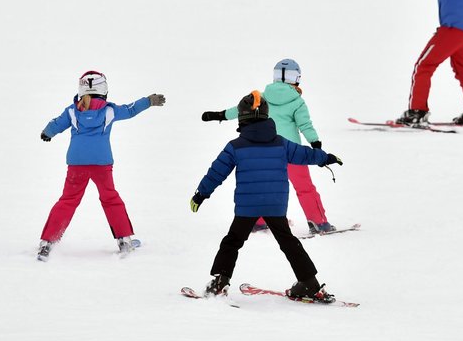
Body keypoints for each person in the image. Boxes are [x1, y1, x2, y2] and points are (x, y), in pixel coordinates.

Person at [190, 91, 343, 302]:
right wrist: (326, 157)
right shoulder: (281, 143)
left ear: (242, 117)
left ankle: (220, 282)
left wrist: (200, 194)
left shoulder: (235, 146)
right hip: (275, 205)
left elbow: (216, 173)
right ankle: (310, 284)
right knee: (289, 243)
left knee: (232, 242)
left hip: (247, 206)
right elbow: (305, 154)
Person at [36, 71, 166, 261]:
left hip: (76, 163)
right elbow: (130, 110)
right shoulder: (109, 110)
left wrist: (47, 132)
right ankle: (124, 240)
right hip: (101, 163)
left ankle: (47, 242)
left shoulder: (72, 111)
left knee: (68, 200)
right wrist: (148, 100)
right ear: (104, 89)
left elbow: (56, 124)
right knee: (110, 199)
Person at [201, 59, 336, 235]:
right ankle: (318, 222)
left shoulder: (261, 97)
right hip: (293, 153)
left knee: (266, 186)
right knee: (305, 189)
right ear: (296, 78)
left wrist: (218, 115)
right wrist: (316, 146)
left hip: (267, 152)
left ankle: (259, 221)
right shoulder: (297, 102)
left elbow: (239, 109)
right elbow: (306, 126)